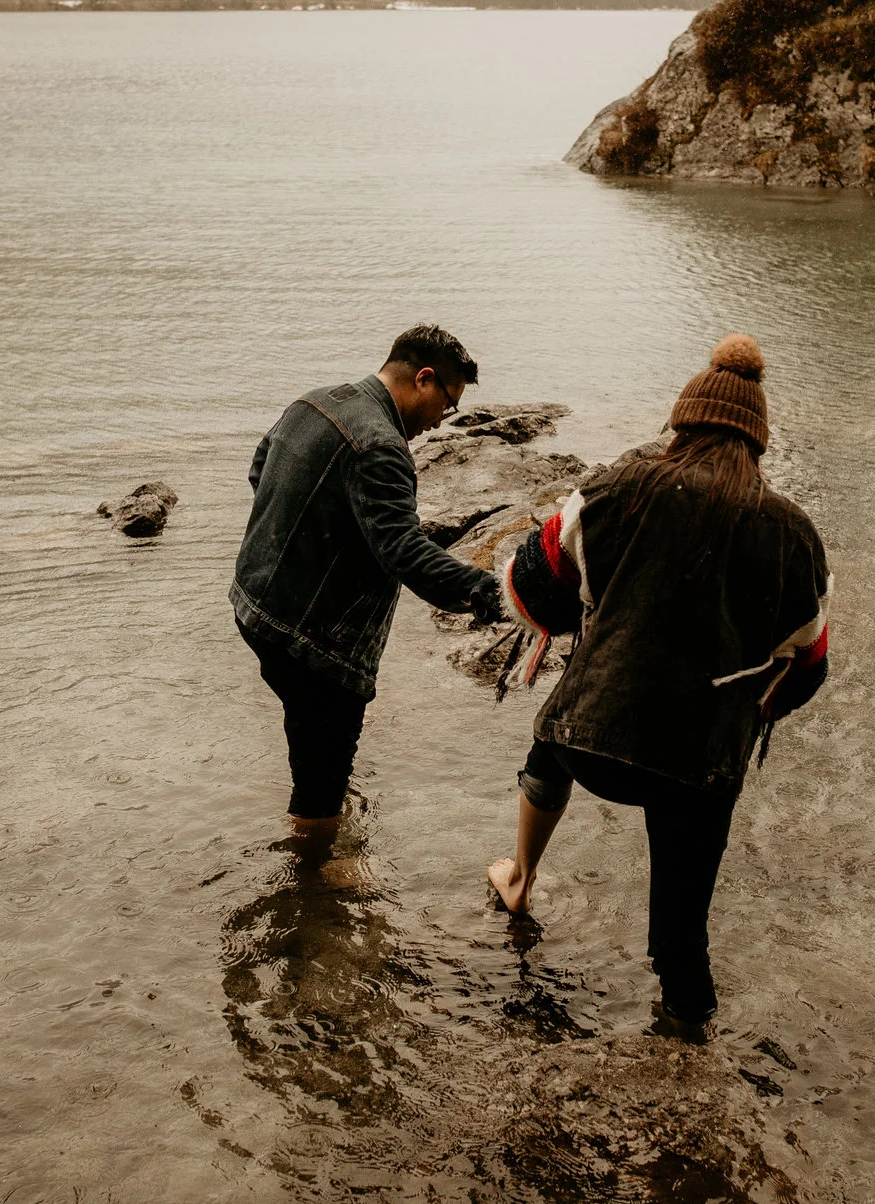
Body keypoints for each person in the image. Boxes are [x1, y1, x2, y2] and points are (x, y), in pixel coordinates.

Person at [488, 334, 829, 1038]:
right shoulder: (792, 532)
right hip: (695, 768)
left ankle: (520, 878)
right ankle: (686, 1043)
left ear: (682, 420)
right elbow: (808, 664)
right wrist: (746, 707)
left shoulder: (619, 484)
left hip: (592, 746)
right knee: (682, 938)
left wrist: (590, 609)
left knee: (552, 731)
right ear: (757, 442)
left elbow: (531, 586)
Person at [232, 324, 507, 846]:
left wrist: (317, 539)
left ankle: (321, 804)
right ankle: (311, 883)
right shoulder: (380, 446)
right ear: (424, 379)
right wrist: (491, 591)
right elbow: (404, 550)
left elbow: (260, 470)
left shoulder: (312, 402)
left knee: (308, 734)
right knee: (322, 775)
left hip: (254, 606)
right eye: (447, 406)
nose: (441, 423)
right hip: (313, 642)